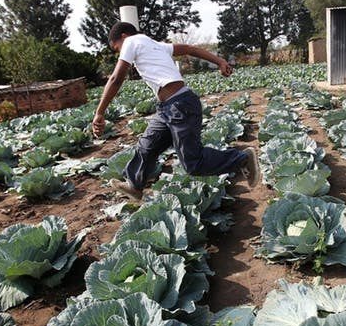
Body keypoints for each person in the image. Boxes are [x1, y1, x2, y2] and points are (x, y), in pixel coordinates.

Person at [92, 21, 260, 200]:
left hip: (180, 105)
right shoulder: (155, 45)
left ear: (124, 36)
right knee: (147, 145)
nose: (120, 53)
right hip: (167, 108)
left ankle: (242, 158)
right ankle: (135, 185)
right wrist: (219, 61)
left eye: (116, 48)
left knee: (193, 163)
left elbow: (117, 78)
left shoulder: (131, 42)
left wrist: (100, 112)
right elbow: (189, 49)